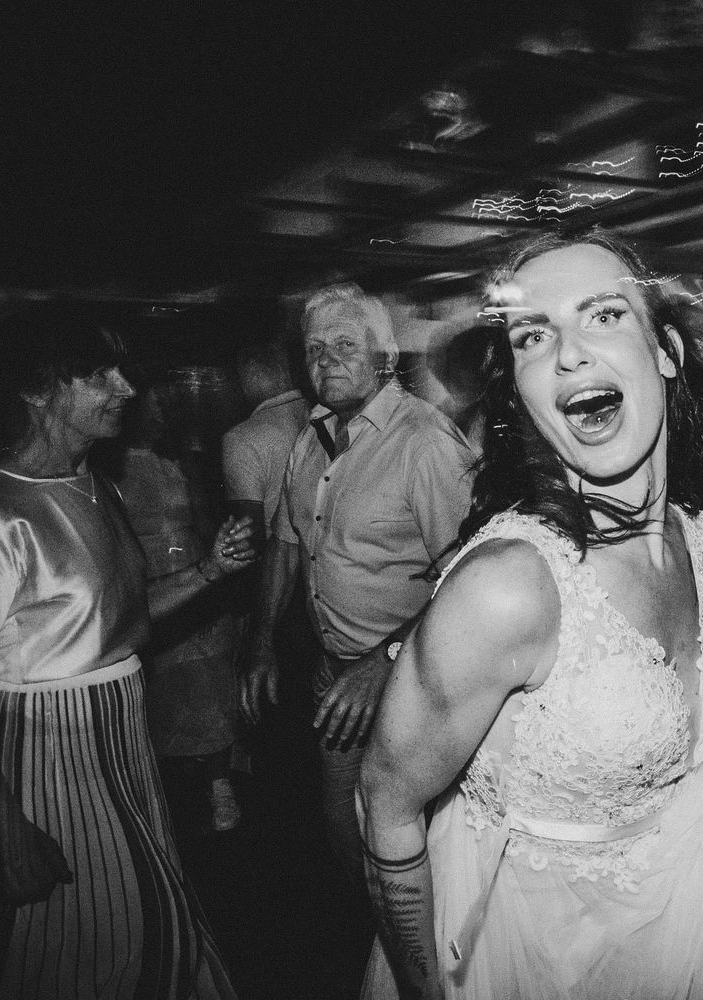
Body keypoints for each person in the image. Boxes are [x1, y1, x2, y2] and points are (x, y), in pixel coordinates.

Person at [357, 228, 703, 1000]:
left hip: (681, 947)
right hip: (530, 959)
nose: (571, 354)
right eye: (533, 335)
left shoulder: (698, 538)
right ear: (517, 389)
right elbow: (385, 803)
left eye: (605, 315)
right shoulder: (509, 588)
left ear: (666, 353)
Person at [0, 312, 255, 999]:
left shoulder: (94, 485)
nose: (125, 387)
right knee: (71, 948)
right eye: (99, 373)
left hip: (124, 743)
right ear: (40, 390)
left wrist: (208, 574)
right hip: (46, 755)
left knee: (147, 918)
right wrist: (3, 826)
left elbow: (119, 621)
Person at [240, 284, 476, 888]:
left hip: (417, 680)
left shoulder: (424, 443)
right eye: (315, 347)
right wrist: (263, 640)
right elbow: (289, 547)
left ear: (385, 357)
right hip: (334, 675)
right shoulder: (309, 440)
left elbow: (471, 574)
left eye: (346, 344)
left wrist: (385, 660)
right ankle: (377, 938)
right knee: (344, 825)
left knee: (417, 835)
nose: (326, 359)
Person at [116, 375, 246, 832]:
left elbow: (209, 519)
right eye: (151, 407)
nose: (157, 415)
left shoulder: (181, 460)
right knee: (160, 690)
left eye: (162, 406)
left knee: (208, 681)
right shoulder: (108, 469)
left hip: (195, 573)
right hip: (147, 582)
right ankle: (159, 797)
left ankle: (219, 784)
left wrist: (221, 584)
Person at [223, 338, 310, 534]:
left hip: (278, 559)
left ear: (251, 375)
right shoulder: (325, 416)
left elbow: (247, 536)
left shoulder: (241, 438)